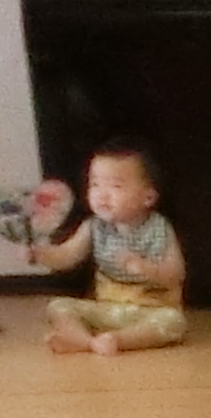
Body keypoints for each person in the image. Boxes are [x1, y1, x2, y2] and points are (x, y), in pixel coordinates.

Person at [31, 143, 188, 354]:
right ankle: (87, 341)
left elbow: (177, 274)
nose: (102, 195)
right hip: (106, 309)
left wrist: (147, 269)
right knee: (58, 306)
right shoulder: (94, 226)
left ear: (148, 197)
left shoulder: (159, 228)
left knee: (173, 322)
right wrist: (42, 254)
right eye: (95, 184)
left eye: (116, 186)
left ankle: (119, 340)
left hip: (150, 310)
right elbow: (66, 256)